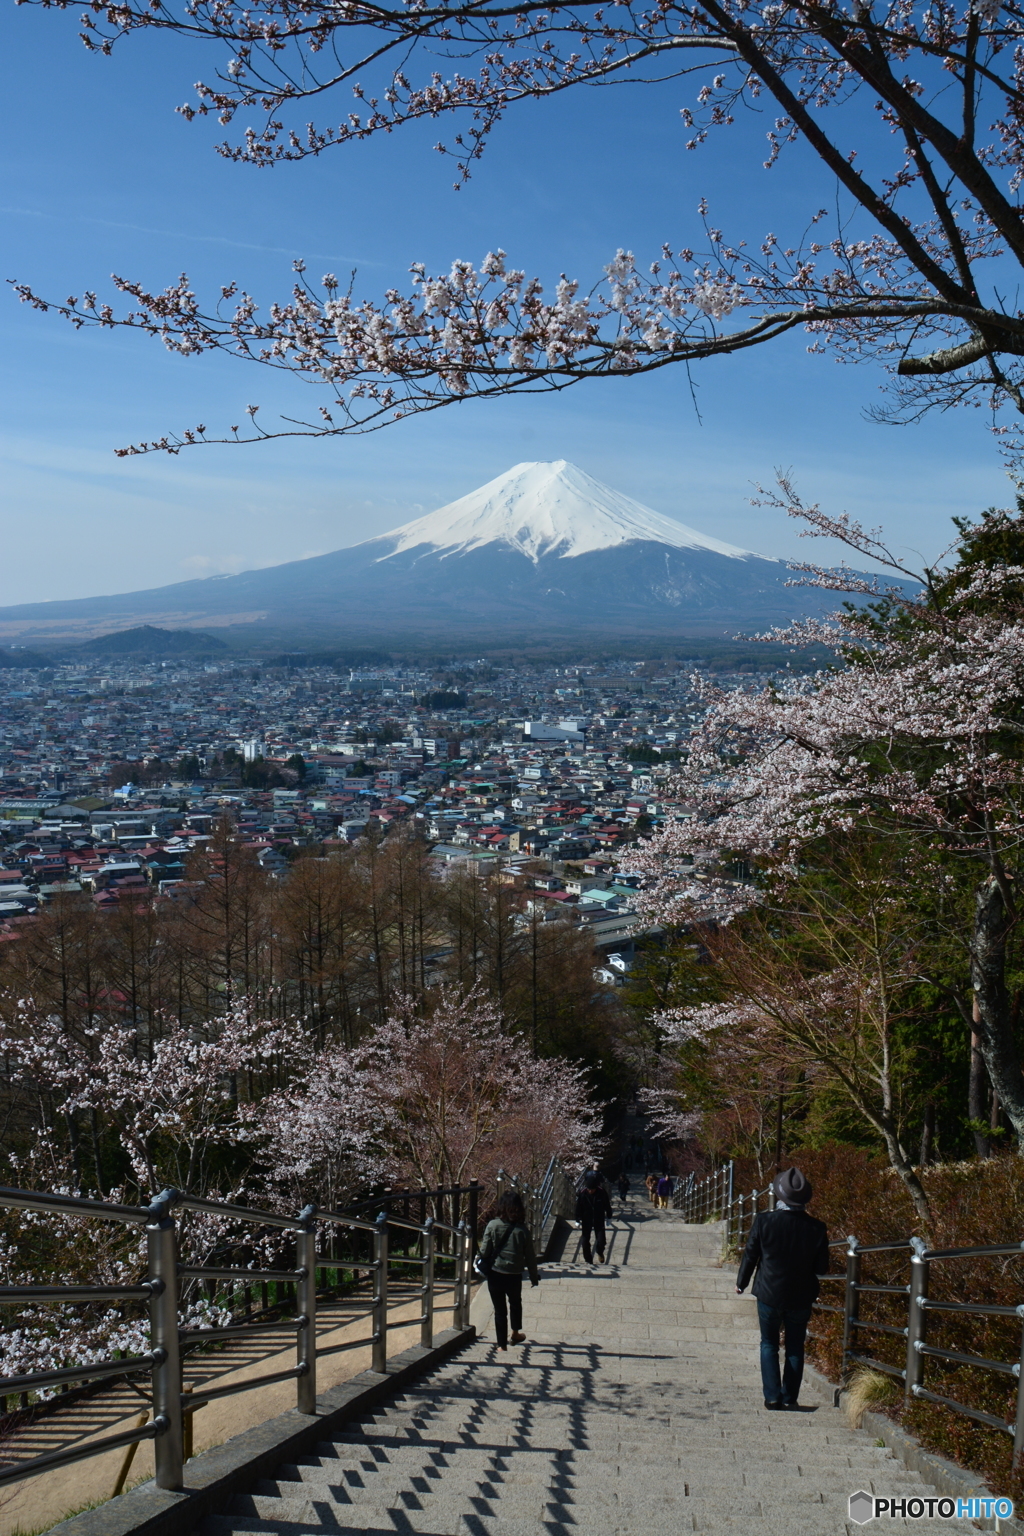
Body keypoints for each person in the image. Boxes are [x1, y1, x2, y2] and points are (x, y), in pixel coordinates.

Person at [735, 1167, 830, 1410]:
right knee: (795, 1346)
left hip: (768, 1292)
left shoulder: (764, 1221)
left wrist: (741, 1283)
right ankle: (790, 1397)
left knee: (769, 1343)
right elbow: (822, 1268)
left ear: (779, 1196)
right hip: (801, 1295)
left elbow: (751, 1254)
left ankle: (772, 1396)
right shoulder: (817, 1228)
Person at [478, 1191, 540, 1352]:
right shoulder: (523, 1231)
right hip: (514, 1275)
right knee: (515, 1303)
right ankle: (515, 1333)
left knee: (499, 1311)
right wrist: (534, 1277)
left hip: (495, 1274)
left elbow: (484, 1252)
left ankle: (501, 1345)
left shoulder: (492, 1225)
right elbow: (530, 1257)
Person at [575, 1170, 613, 1264]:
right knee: (585, 1241)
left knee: (601, 1240)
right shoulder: (583, 1193)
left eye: (592, 1189)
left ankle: (599, 1251)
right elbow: (578, 1207)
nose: (590, 1191)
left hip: (598, 1218)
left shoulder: (601, 1192)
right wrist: (577, 1219)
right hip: (586, 1218)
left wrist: (609, 1216)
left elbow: (607, 1204)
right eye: (589, 1189)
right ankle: (588, 1258)